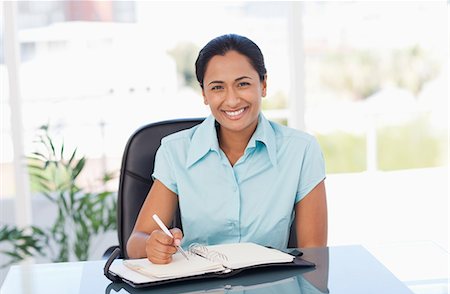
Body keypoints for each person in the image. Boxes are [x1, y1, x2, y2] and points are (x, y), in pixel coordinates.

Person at [127, 34, 327, 264]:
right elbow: (136, 242)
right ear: (204, 94)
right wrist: (152, 245)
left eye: (242, 84)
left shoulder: (301, 151)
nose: (232, 100)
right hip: (200, 287)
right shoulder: (176, 152)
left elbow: (315, 255)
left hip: (273, 286)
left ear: (263, 85)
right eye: (217, 88)